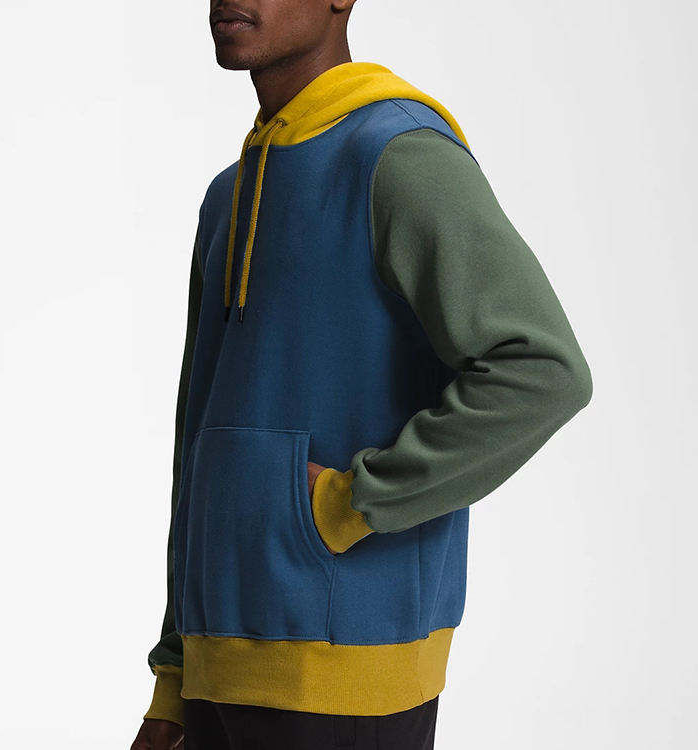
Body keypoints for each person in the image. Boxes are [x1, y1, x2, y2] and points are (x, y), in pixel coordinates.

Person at [131, 1, 593, 748]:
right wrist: (174, 677)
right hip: (217, 674)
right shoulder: (227, 197)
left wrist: (346, 506)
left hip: (350, 678)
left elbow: (541, 369)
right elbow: (199, 445)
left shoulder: (400, 157)